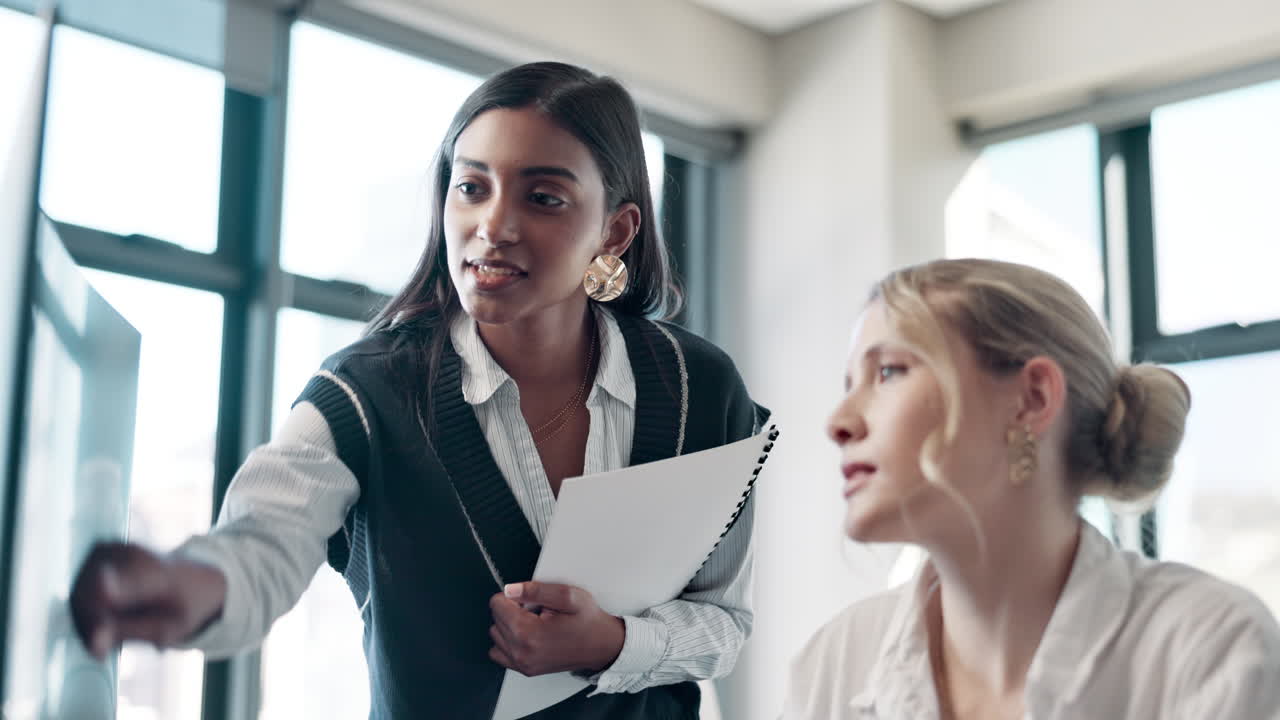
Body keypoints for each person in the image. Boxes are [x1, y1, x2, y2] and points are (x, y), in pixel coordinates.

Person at [70, 61, 769, 719]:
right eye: (471, 187)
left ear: (614, 231)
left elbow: (725, 621)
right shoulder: (366, 393)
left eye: (544, 197)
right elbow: (260, 547)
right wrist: (186, 584)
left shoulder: (698, 392)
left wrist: (615, 644)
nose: (492, 226)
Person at [783, 259, 1280, 719]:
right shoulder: (833, 664)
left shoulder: (1210, 648)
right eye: (850, 383)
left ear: (1032, 398)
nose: (838, 422)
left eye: (888, 371)